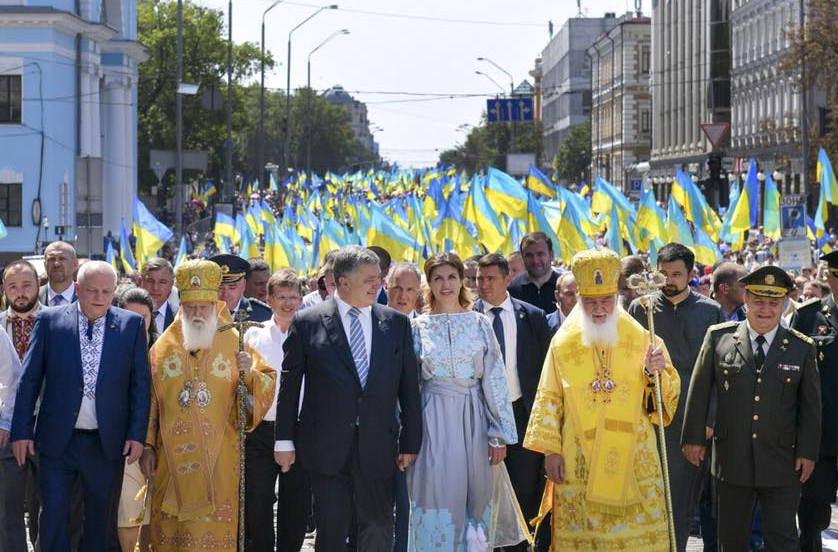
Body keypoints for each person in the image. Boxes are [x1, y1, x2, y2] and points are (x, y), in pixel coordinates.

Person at [524, 247, 680, 550]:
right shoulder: (563, 343)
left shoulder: (642, 337)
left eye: (605, 301)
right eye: (590, 302)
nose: (598, 309)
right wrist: (551, 452)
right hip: (578, 457)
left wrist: (654, 373)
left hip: (633, 458)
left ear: (617, 298)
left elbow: (663, 401)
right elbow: (550, 397)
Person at [274, 245, 421, 552]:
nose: (377, 285)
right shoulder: (307, 322)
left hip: (379, 445)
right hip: (326, 447)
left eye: (379, 278)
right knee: (331, 531)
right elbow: (289, 387)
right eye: (368, 279)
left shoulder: (395, 324)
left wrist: (410, 442)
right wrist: (284, 441)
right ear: (342, 282)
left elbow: (408, 388)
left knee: (378, 528)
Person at [10, 261, 150, 552]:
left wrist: (136, 434)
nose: (99, 297)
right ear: (77, 288)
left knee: (100, 521)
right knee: (53, 518)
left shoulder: (130, 325)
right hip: (57, 441)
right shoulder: (49, 320)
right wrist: (21, 431)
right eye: (92, 290)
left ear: (114, 292)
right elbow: (29, 380)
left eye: (106, 291)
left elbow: (139, 385)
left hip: (105, 442)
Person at [681, 265, 821, 551]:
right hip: (732, 459)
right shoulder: (718, 337)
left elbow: (810, 407)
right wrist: (693, 437)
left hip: (783, 461)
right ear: (745, 300)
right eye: (758, 301)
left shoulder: (801, 348)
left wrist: (808, 452)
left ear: (784, 305)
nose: (765, 310)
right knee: (730, 539)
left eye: (773, 303)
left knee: (782, 538)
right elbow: (699, 390)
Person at [140, 259, 276, 551]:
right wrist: (149, 446)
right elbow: (151, 402)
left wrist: (248, 373)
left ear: (214, 306)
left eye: (204, 307)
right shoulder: (161, 348)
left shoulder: (234, 341)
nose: (198, 314)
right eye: (191, 308)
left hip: (220, 456)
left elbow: (266, 382)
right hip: (171, 460)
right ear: (182, 308)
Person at [407, 253, 525, 552]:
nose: (445, 284)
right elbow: (409, 386)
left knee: (474, 497)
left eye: (451, 277)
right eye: (437, 278)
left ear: (462, 280)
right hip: (431, 421)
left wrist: (498, 433)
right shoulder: (417, 328)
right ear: (429, 283)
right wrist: (406, 435)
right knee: (435, 493)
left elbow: (495, 380)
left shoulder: (479, 323)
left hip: (474, 421)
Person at [627, 242, 723, 552]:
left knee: (681, 504)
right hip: (649, 420)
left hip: (689, 423)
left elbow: (719, 374)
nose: (668, 280)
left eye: (676, 274)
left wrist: (707, 423)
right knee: (645, 499)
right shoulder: (640, 309)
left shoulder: (710, 311)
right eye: (663, 273)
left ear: (691, 274)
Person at [474, 253, 550, 550]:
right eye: (479, 279)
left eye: (490, 278)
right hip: (480, 418)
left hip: (522, 414)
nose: (483, 285)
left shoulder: (531, 316)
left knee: (523, 494)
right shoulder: (469, 316)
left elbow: (544, 369)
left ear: (508, 279)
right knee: (484, 494)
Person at [243, 269, 310, 552]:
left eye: (293, 297)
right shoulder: (252, 336)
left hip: (299, 428)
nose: (288, 303)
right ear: (269, 299)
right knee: (257, 499)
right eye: (281, 297)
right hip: (261, 429)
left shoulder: (311, 334)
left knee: (295, 502)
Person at [792, 250, 838, 552]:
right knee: (811, 520)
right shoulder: (809, 315)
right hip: (820, 442)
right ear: (832, 277)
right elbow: (792, 380)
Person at [0, 261, 40, 552]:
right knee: (9, 512)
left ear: (39, 285)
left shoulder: (58, 321)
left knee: (51, 510)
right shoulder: (0, 326)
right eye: (13, 286)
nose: (20, 293)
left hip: (49, 430)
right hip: (7, 434)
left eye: (26, 285)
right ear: (4, 290)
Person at [114, 287, 158, 552]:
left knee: (154, 516)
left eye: (144, 317)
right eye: (131, 316)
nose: (138, 323)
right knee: (130, 513)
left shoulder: (164, 350)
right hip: (126, 446)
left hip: (161, 447)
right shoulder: (112, 352)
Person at [383, 261, 422, 552]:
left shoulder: (426, 327)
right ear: (386, 287)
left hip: (419, 431)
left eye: (410, 289)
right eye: (397, 287)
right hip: (376, 430)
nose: (402, 295)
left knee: (411, 504)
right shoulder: (371, 324)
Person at [209, 254, 272, 322]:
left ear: (244, 285)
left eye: (232, 287)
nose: (225, 294)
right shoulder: (201, 312)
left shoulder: (263, 314)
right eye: (220, 288)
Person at [508, 232, 559, 314]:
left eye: (540, 254)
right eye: (529, 255)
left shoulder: (564, 288)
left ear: (551, 255)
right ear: (523, 258)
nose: (535, 260)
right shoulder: (512, 289)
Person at [139, 257, 176, 333]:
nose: (155, 287)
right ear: (140, 282)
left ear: (171, 284)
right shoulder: (128, 314)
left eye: (162, 282)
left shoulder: (179, 317)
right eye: (150, 281)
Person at [39, 241, 78, 306]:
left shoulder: (86, 298)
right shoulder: (33, 298)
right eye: (51, 259)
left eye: (62, 259)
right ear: (45, 265)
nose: (56, 264)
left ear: (75, 264)